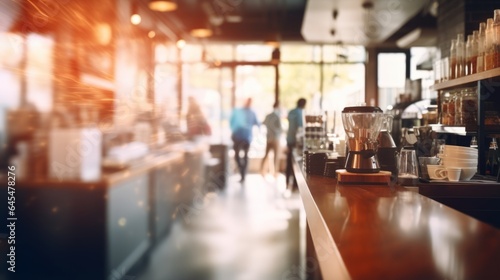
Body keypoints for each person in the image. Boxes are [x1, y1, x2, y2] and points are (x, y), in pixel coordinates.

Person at [230, 97, 260, 182]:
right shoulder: (239, 111)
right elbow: (232, 122)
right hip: (237, 137)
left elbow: (257, 123)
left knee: (245, 157)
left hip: (246, 138)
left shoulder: (252, 113)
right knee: (237, 157)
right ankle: (242, 172)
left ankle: (243, 175)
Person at [286, 98, 306, 187]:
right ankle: (295, 184)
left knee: (289, 161)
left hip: (289, 139)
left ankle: (287, 181)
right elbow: (300, 127)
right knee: (297, 162)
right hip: (296, 141)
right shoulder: (300, 113)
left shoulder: (291, 111)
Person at [260, 102, 282, 176]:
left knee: (266, 154)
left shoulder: (268, 116)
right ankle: (275, 172)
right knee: (276, 156)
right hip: (275, 138)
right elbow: (280, 128)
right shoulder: (277, 116)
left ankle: (262, 171)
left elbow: (263, 123)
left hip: (268, 138)